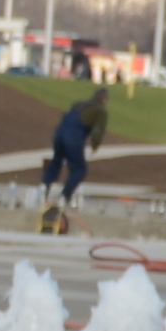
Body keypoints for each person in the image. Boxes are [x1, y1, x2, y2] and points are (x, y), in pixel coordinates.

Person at [39, 87, 105, 231]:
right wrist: (95, 146)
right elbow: (97, 131)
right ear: (104, 99)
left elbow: (65, 117)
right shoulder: (100, 110)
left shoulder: (79, 104)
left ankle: (44, 187)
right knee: (79, 169)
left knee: (56, 161)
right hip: (73, 136)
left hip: (59, 133)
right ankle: (64, 197)